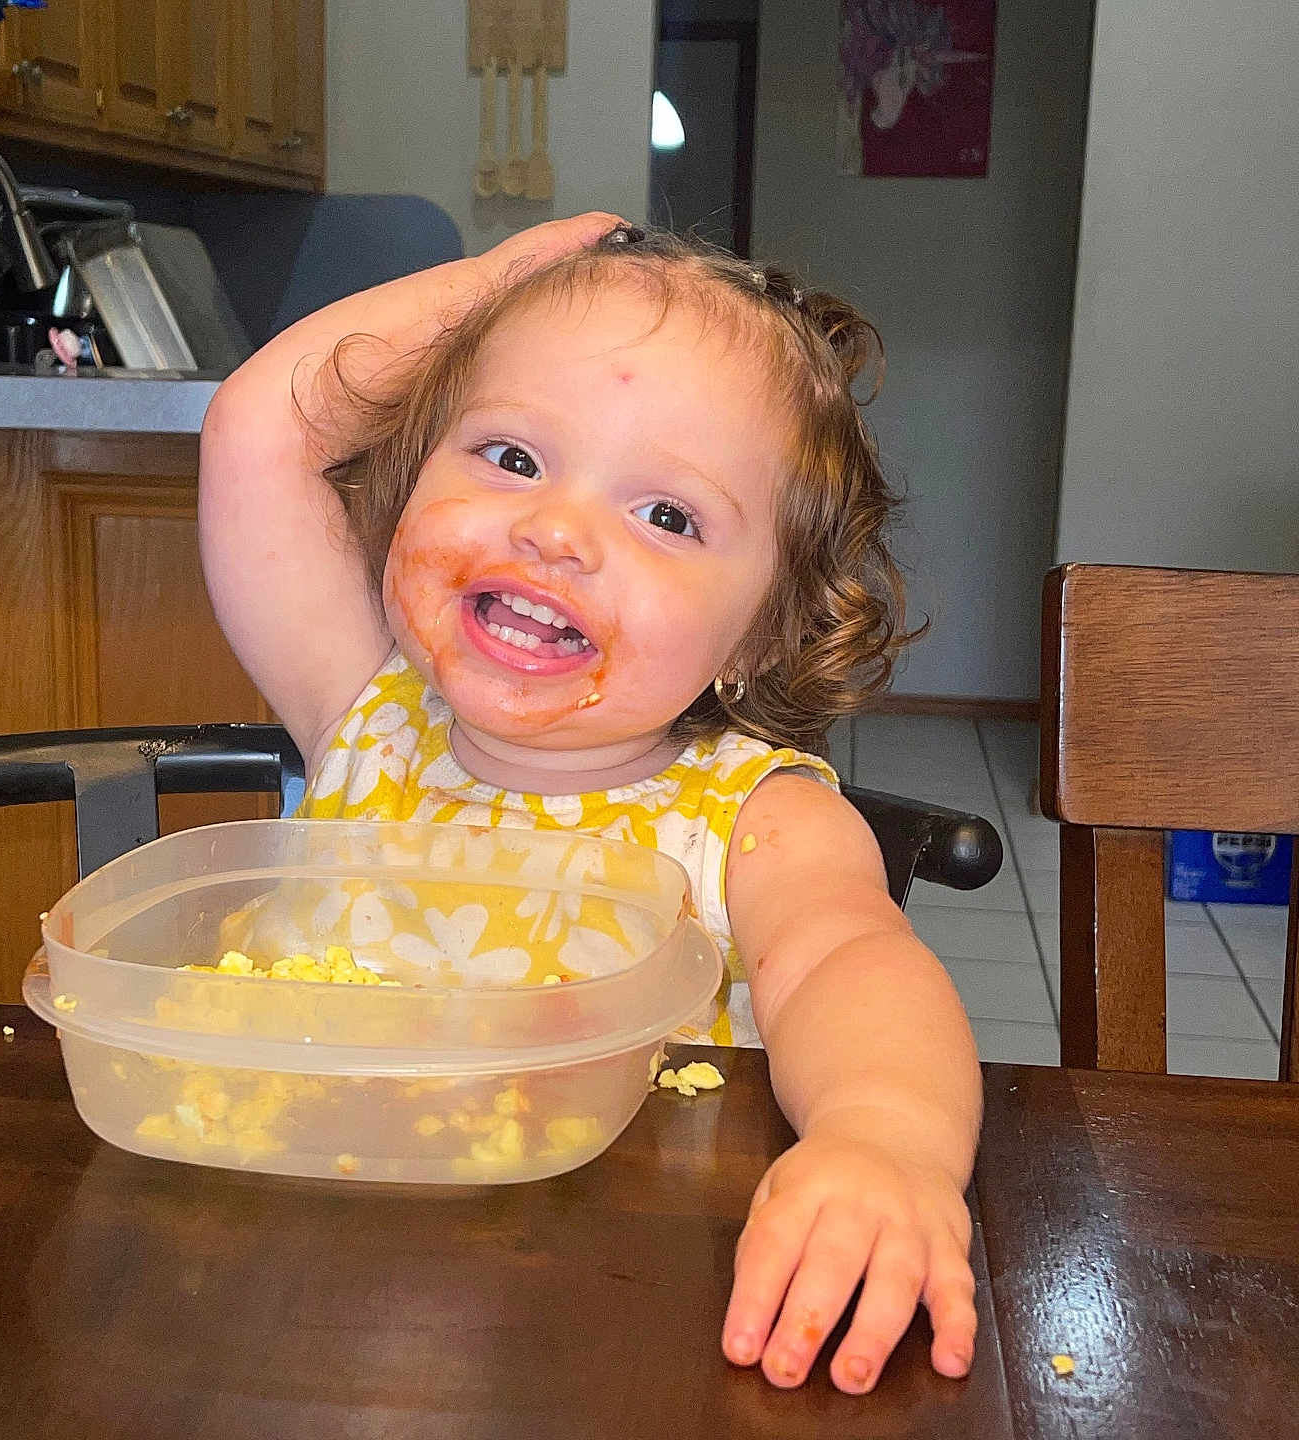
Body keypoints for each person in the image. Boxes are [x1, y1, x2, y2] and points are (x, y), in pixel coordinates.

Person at [199, 212, 980, 1395]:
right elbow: (263, 427)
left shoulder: (752, 820)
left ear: (760, 630)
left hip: (623, 1329)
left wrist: (885, 1141)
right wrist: (520, 274)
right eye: (510, 456)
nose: (556, 530)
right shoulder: (364, 716)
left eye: (667, 515)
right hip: (311, 1298)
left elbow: (852, 970)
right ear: (412, 481)